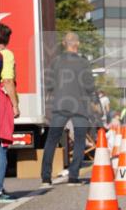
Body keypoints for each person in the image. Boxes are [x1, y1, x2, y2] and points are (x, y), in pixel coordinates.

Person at [41, 32, 97, 187]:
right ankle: (73, 177)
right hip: (79, 106)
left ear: (64, 44)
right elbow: (90, 86)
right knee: (79, 140)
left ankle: (46, 178)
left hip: (60, 105)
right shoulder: (83, 62)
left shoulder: (56, 62)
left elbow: (49, 85)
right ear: (77, 44)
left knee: (52, 140)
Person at [0, 24, 20, 201]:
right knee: (0, 147)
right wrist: (15, 105)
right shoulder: (5, 54)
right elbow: (7, 80)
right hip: (0, 101)